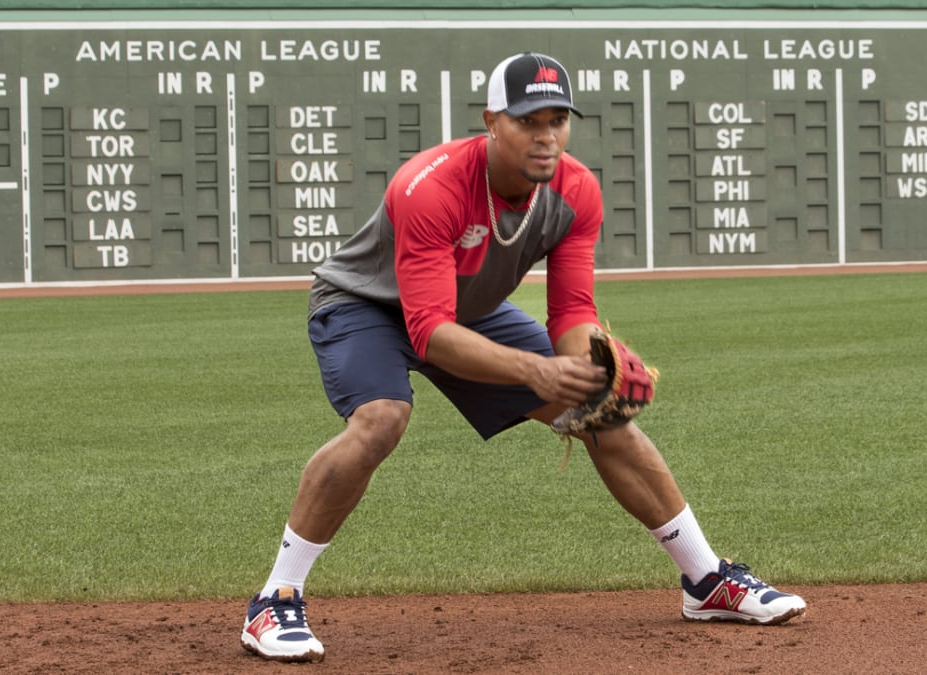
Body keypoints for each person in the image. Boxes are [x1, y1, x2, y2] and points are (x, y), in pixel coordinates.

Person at [241, 52, 806, 663]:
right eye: (528, 120)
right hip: (367, 305)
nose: (546, 136)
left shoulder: (575, 191)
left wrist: (593, 365)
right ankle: (276, 598)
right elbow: (429, 331)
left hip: (471, 310)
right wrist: (539, 372)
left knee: (603, 416)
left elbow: (571, 314)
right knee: (381, 418)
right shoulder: (430, 184)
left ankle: (706, 580)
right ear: (492, 121)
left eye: (557, 119)